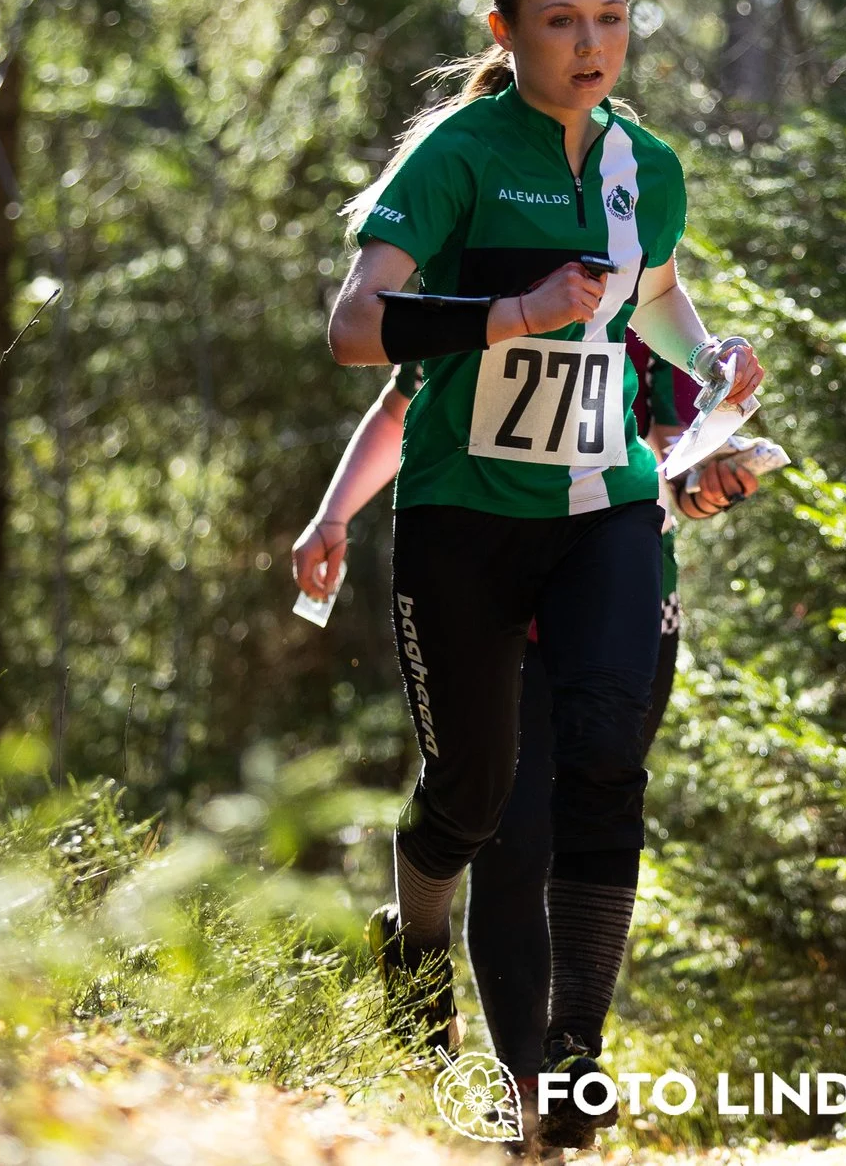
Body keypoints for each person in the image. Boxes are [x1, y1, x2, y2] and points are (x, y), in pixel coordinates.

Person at [320, 0, 765, 1150]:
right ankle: (412, 934)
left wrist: (712, 358)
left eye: (610, 18)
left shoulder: (648, 167)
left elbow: (659, 301)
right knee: (478, 799)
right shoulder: (458, 157)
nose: (589, 43)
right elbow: (357, 327)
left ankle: (566, 1067)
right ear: (504, 32)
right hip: (465, 512)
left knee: (608, 743)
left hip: (605, 499)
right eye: (560, 20)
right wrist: (512, 309)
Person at [291, 341, 755, 1122]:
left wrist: (707, 486)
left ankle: (571, 1053)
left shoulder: (651, 313)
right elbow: (400, 407)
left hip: (629, 607)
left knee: (590, 809)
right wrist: (333, 513)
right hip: (503, 609)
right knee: (512, 833)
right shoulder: (491, 281)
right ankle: (529, 1091)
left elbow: (677, 465)